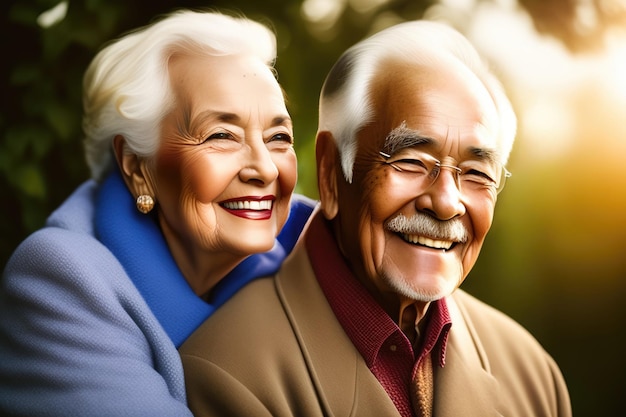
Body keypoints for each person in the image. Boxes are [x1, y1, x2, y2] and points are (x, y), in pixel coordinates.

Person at [180, 19, 572, 417]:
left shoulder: (533, 375)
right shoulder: (227, 377)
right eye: (411, 162)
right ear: (331, 172)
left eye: (476, 174)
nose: (446, 203)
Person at [0, 9, 315, 417]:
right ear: (137, 167)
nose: (266, 169)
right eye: (221, 135)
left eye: (278, 137)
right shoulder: (59, 279)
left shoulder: (312, 246)